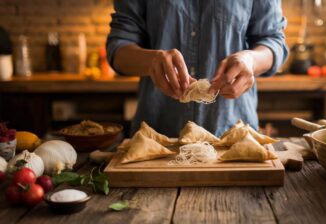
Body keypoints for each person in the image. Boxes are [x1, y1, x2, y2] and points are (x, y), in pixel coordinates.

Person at [107, 0, 288, 137]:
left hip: (233, 134)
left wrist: (251, 60)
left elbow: (273, 41)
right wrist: (152, 61)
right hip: (157, 135)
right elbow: (119, 47)